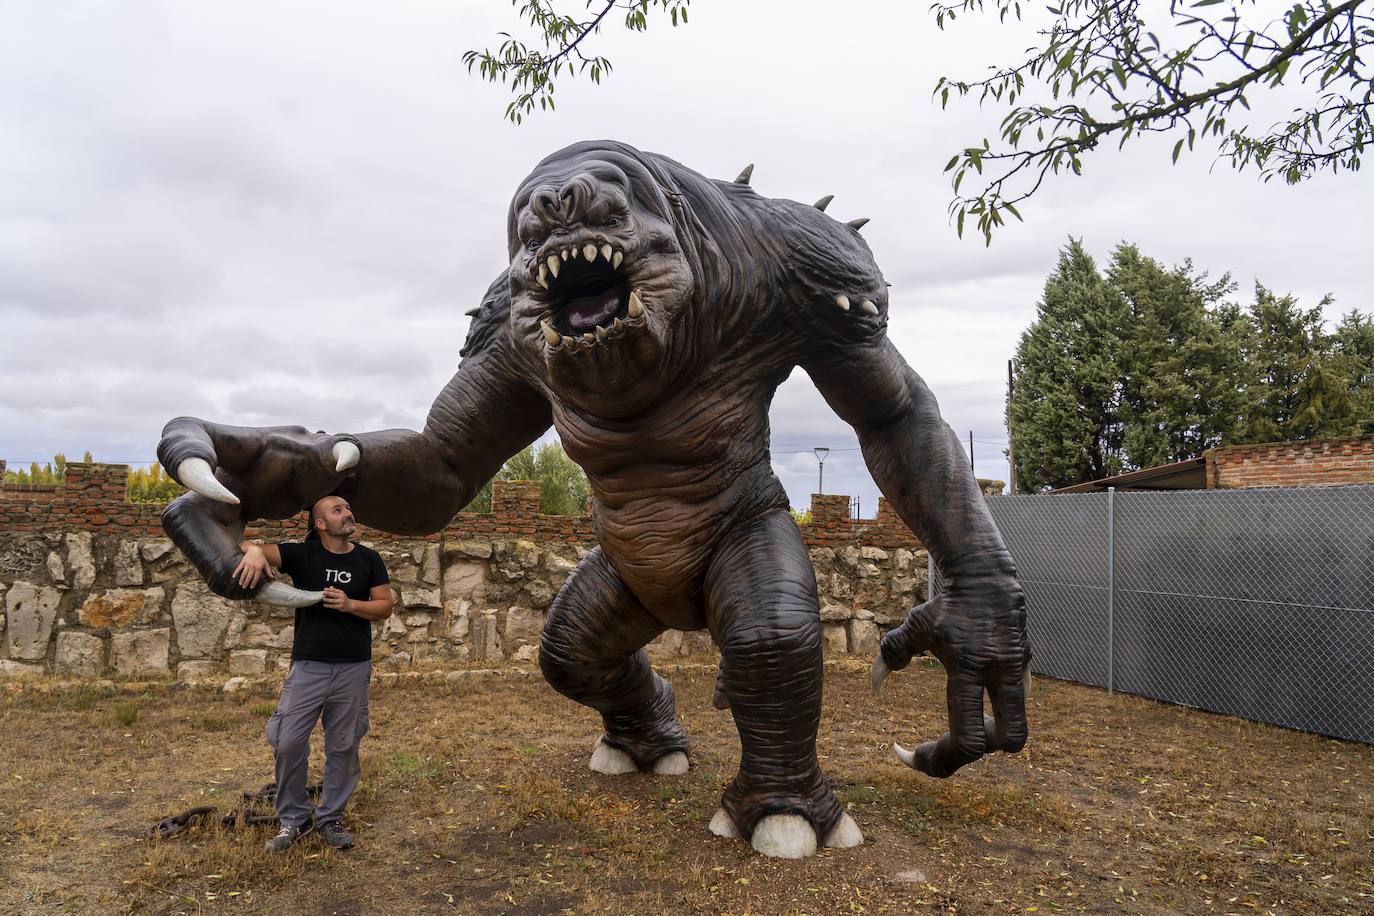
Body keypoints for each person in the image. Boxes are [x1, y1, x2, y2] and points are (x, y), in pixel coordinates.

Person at [233, 494, 394, 852]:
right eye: (338, 510)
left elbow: (385, 606)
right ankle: (294, 819)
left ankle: (330, 818)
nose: (348, 513)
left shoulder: (369, 559)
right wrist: (256, 552)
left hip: (354, 667)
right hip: (309, 667)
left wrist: (350, 605)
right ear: (320, 524)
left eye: (348, 508)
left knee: (344, 746)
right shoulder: (302, 554)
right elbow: (242, 543)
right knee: (287, 741)